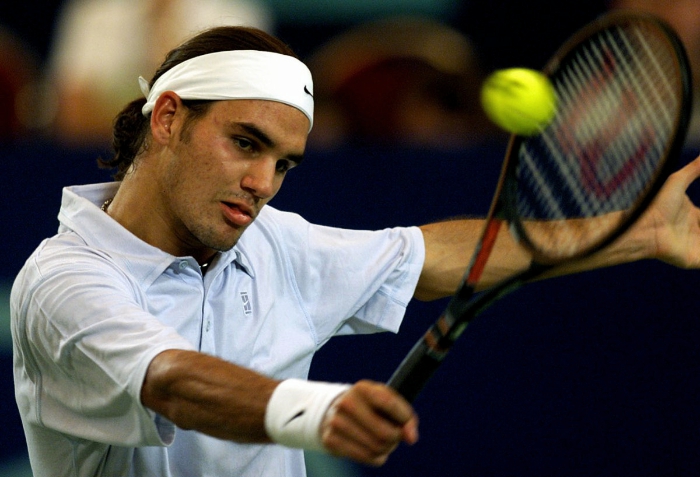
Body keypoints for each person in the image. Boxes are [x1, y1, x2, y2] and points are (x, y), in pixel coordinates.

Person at [10, 25, 700, 477]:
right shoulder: (61, 281)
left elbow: (431, 258)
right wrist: (319, 412)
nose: (262, 184)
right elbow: (170, 380)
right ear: (168, 117)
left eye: (284, 164)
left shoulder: (273, 241)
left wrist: (640, 231)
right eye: (246, 143)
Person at [46, 0, 274, 146]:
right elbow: (73, 117)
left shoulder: (238, 17)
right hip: (102, 157)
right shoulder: (93, 14)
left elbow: (238, 117)